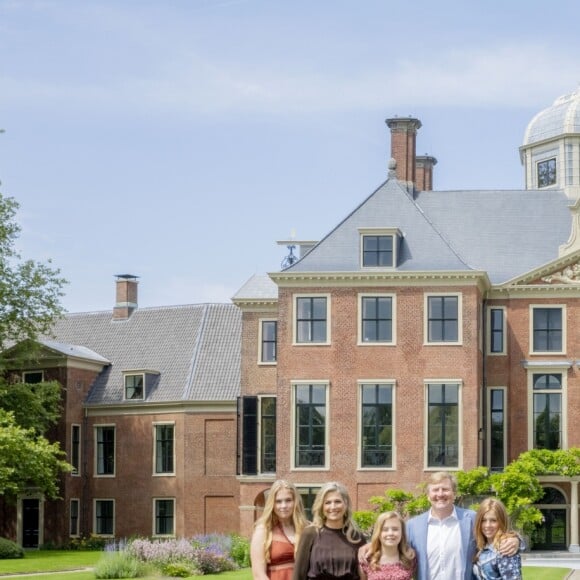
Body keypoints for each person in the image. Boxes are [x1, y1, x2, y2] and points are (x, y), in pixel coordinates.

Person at [404, 472, 521, 580]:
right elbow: (397, 553)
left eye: (445, 489)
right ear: (428, 495)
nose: (440, 494)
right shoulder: (413, 526)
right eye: (435, 490)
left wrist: (516, 540)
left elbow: (497, 534)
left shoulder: (472, 519)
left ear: (454, 493)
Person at [292, 481, 367, 580]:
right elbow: (299, 574)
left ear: (346, 504)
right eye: (328, 502)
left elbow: (365, 574)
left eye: (337, 502)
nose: (333, 507)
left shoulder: (357, 537)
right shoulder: (310, 533)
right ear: (321, 506)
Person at [251, 479, 309, 580]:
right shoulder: (263, 530)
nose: (283, 506)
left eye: (288, 500)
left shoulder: (307, 529)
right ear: (272, 504)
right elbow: (259, 575)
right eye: (278, 501)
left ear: (295, 501)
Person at [473, 497, 522, 579]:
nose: (487, 525)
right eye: (483, 520)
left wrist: (517, 540)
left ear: (501, 521)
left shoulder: (505, 549)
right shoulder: (482, 546)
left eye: (493, 520)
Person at [359, 511, 416, 580]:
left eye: (395, 529)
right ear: (378, 533)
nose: (390, 533)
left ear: (402, 532)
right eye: (385, 530)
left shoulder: (410, 558)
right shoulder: (367, 560)